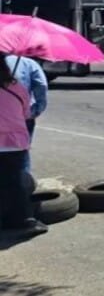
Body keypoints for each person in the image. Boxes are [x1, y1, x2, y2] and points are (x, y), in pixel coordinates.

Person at [0, 54, 48, 237]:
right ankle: (23, 221)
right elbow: (26, 111)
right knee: (17, 181)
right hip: (14, 142)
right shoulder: (16, 86)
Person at [3, 55, 48, 172]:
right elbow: (41, 86)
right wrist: (36, 111)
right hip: (18, 131)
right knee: (20, 170)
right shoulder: (27, 64)